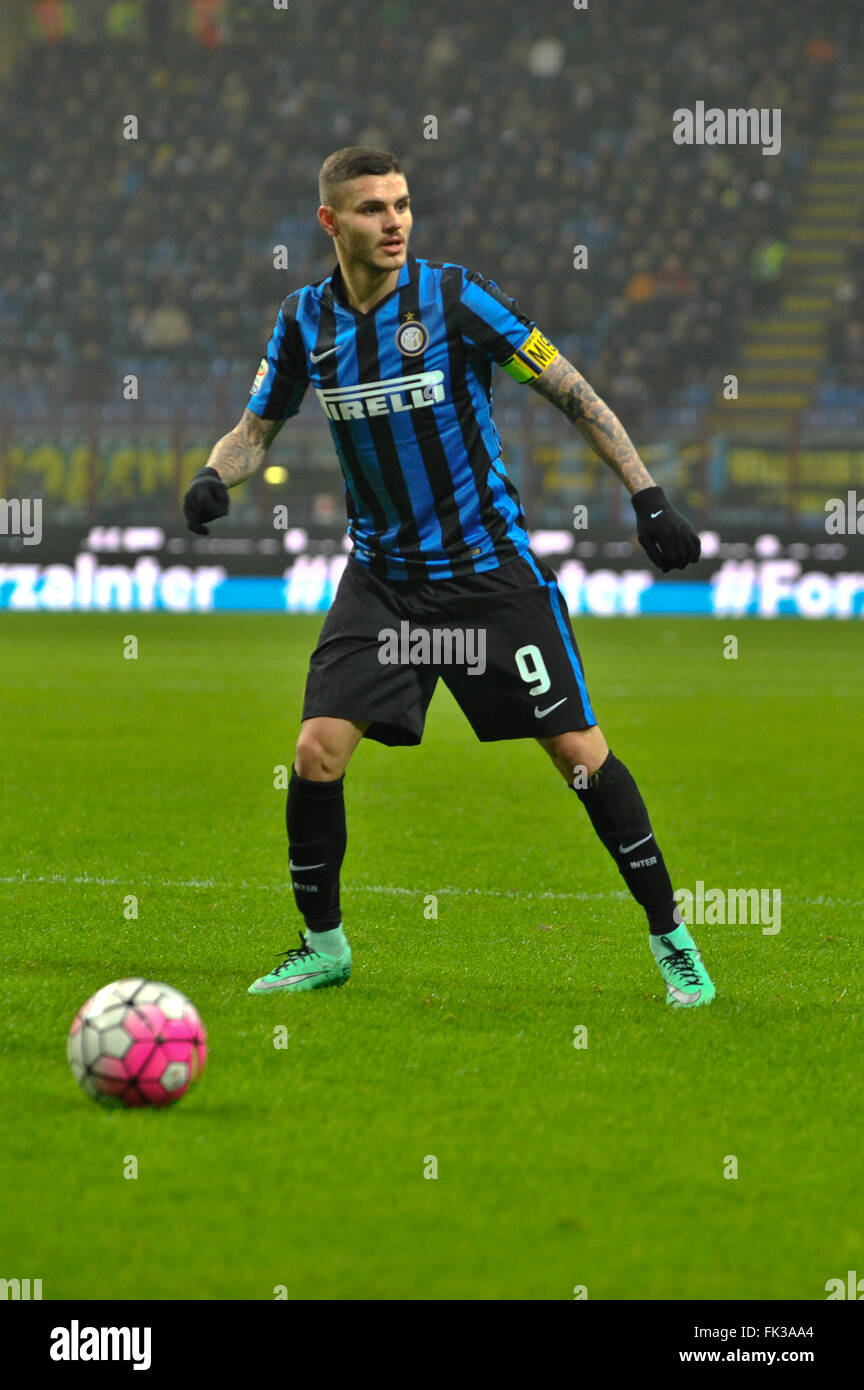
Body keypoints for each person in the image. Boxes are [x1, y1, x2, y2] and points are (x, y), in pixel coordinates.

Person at [183, 146, 715, 1008]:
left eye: (401, 205)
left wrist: (648, 498)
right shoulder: (303, 322)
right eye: (371, 209)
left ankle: (672, 937)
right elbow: (256, 428)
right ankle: (324, 946)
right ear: (330, 223)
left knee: (579, 756)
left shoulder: (458, 298)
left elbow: (572, 391)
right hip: (384, 582)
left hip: (489, 576)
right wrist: (216, 476)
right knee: (316, 752)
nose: (393, 222)